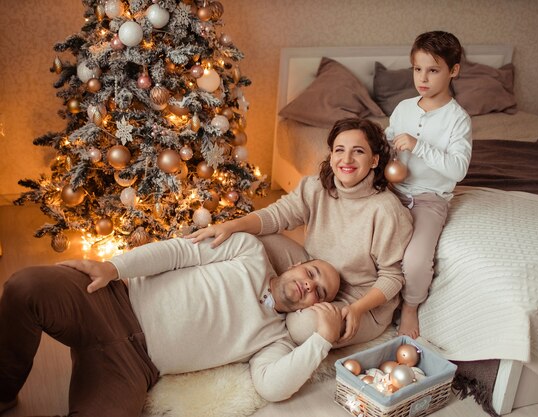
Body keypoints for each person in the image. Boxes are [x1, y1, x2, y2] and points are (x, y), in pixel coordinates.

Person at [0, 232, 343, 416]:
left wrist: (322, 340)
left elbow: (272, 387)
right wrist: (113, 268)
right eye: (311, 273)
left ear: (316, 305)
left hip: (131, 368)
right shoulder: (249, 251)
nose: (309, 285)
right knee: (25, 287)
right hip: (110, 300)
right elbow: (179, 252)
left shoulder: (276, 340)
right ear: (299, 264)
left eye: (320, 292)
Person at [187, 117, 413, 348]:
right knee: (246, 238)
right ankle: (204, 287)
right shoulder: (316, 187)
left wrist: (357, 310)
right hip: (313, 269)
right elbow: (277, 215)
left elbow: (392, 276)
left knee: (302, 327)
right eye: (339, 150)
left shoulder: (386, 210)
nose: (346, 159)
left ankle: (266, 314)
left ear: (374, 160)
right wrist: (231, 225)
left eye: (358, 152)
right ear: (331, 155)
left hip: (359, 299)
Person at [385, 31, 472, 339]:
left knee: (416, 260)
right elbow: (389, 138)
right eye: (417, 69)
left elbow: (458, 169)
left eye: (433, 70)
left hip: (429, 198)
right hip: (393, 192)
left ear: (453, 70)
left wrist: (418, 146)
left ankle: (410, 306)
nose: (423, 77)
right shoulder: (404, 108)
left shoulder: (457, 120)